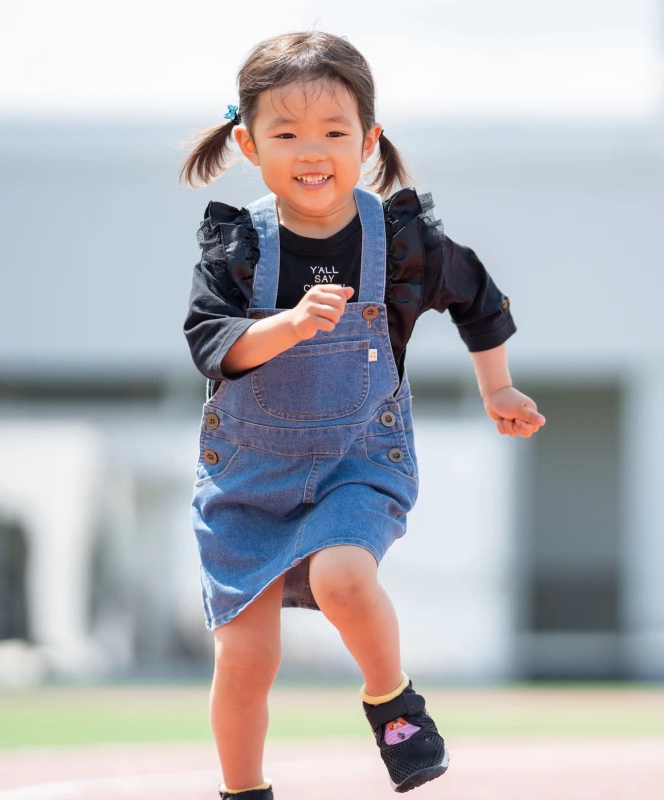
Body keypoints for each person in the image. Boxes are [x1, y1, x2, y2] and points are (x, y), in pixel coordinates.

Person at [179, 31, 545, 799]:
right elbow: (212, 343)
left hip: (357, 459)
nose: (312, 151)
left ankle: (394, 704)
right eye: (286, 134)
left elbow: (477, 296)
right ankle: (243, 790)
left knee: (345, 575)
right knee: (245, 663)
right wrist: (287, 324)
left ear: (369, 140)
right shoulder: (238, 245)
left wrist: (498, 390)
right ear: (247, 143)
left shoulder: (404, 242)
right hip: (248, 477)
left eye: (335, 133)